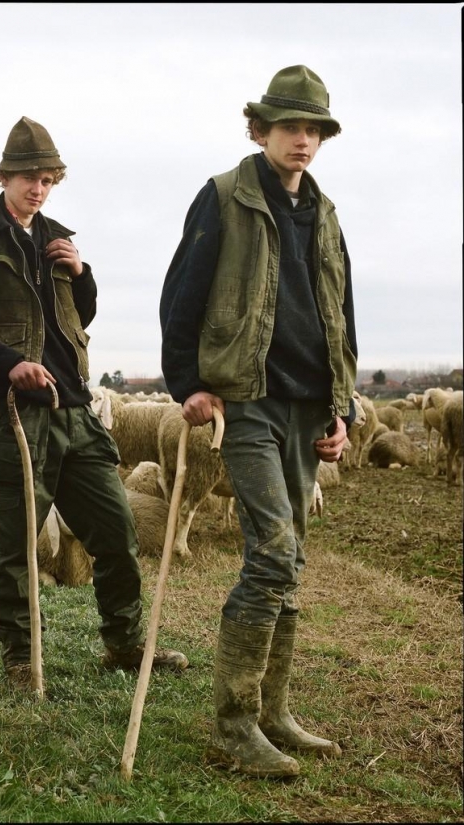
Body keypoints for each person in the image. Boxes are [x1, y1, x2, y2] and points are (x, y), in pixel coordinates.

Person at [159, 65, 357, 778]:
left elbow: (339, 310)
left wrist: (343, 406)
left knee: (290, 564)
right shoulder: (222, 198)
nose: (302, 140)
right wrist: (186, 382)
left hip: (309, 406)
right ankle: (232, 726)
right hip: (245, 400)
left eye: (313, 130)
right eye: (289, 127)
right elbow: (181, 294)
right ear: (258, 130)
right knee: (270, 554)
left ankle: (272, 712)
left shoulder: (325, 213)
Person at [0, 116, 188, 690]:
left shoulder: (57, 235)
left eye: (47, 178)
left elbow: (81, 316)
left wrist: (81, 274)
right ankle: (21, 661)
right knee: (15, 543)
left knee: (116, 530)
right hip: (19, 415)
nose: (37, 188)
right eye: (27, 176)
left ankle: (125, 644)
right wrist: (12, 365)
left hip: (77, 410)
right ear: (3, 177)